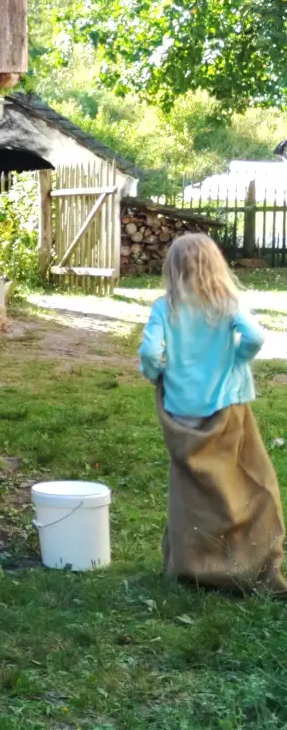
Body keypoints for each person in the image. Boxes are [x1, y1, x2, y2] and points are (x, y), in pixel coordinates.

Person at [139, 233, 287, 595]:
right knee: (246, 481)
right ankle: (245, 558)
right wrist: (235, 360)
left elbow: (148, 352)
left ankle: (192, 564)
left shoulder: (165, 307)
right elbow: (253, 337)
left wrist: (157, 373)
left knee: (190, 490)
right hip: (225, 407)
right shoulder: (227, 303)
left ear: (172, 269)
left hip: (180, 411)